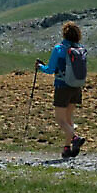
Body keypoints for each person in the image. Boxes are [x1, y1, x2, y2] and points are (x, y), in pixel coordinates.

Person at [36, 20, 86, 159]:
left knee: (60, 119)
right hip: (76, 86)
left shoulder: (59, 49)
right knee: (69, 119)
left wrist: (40, 67)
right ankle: (67, 148)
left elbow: (50, 69)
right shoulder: (80, 48)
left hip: (62, 86)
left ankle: (75, 139)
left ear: (64, 34)